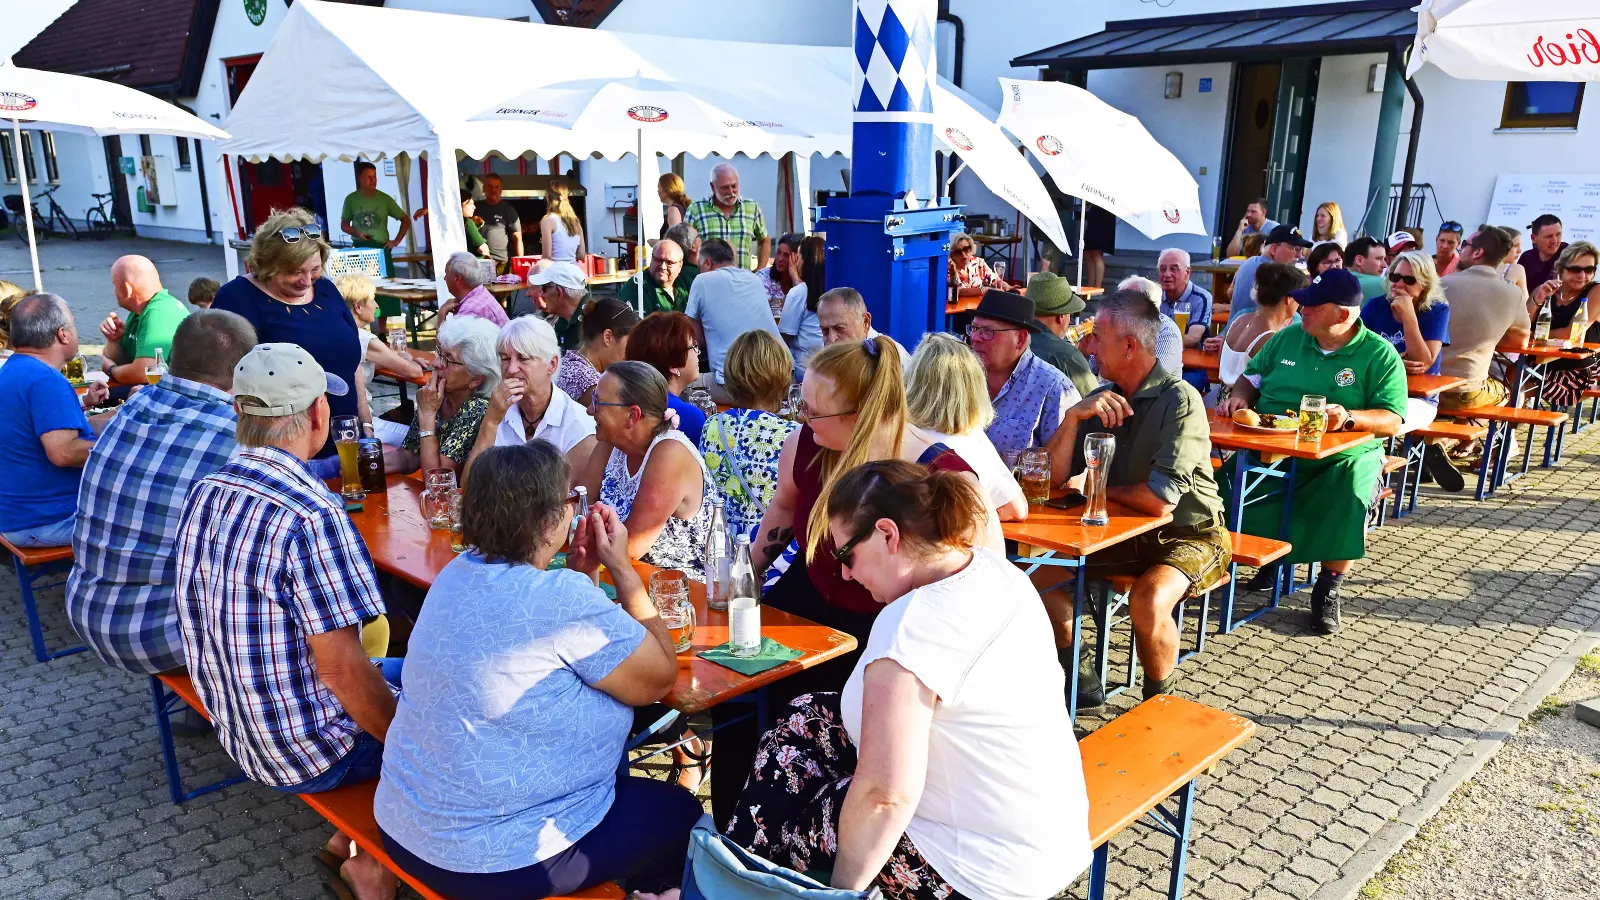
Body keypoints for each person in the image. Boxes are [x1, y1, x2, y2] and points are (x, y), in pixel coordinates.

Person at [725, 460, 1089, 900]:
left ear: (888, 534)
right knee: (804, 716)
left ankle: (733, 880)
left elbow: (885, 797)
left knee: (781, 814)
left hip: (973, 874)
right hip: (1049, 838)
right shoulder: (996, 572)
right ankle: (735, 869)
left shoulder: (909, 624)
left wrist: (840, 895)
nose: (844, 574)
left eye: (846, 555)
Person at [375, 441, 699, 900]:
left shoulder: (456, 571)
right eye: (570, 499)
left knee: (626, 796)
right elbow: (661, 677)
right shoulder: (559, 599)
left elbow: (560, 652)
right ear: (550, 521)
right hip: (491, 862)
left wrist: (584, 575)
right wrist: (624, 571)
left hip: (407, 828)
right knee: (681, 815)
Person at [723, 336, 1002, 826]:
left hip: (889, 626)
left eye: (812, 410)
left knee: (828, 738)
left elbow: (983, 579)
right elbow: (785, 508)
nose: (800, 418)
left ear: (861, 412)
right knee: (738, 701)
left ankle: (809, 837)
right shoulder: (810, 442)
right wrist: (746, 575)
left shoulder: (942, 476)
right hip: (809, 598)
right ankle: (734, 834)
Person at [174, 343, 397, 900]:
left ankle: (345, 844)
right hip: (305, 749)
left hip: (237, 725)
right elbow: (344, 671)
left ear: (238, 414)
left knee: (421, 670)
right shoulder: (311, 511)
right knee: (452, 717)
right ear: (319, 415)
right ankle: (376, 868)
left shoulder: (207, 489)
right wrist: (410, 743)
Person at [1045, 289, 1231, 701]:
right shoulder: (1102, 396)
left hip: (1191, 534)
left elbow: (1161, 500)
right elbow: (1057, 479)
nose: (1087, 344)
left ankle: (1158, 702)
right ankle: (1080, 675)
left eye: (1097, 336)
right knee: (1040, 574)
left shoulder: (1180, 399)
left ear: (1129, 345)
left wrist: (1094, 487)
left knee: (1147, 600)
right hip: (1124, 534)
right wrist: (1075, 417)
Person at [1216, 269, 1406, 635]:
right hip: (1270, 442)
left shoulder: (1379, 354)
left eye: (1312, 306)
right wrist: (1240, 396)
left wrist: (1349, 418)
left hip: (1342, 453)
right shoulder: (1288, 337)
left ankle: (1328, 586)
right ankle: (1263, 555)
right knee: (1222, 485)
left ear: (1342, 315)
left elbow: (1392, 419)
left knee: (1348, 488)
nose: (1301, 309)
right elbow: (1252, 378)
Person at [67, 310, 256, 675]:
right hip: (155, 632)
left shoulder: (133, 406)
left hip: (85, 605)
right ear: (245, 368)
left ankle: (197, 710)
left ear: (170, 360)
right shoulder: (235, 431)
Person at [213, 208, 364, 459]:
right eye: (295, 271)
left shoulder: (326, 290)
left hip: (345, 443)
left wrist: (365, 427)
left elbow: (352, 364)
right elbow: (224, 382)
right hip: (283, 453)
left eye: (314, 270)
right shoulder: (237, 299)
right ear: (267, 264)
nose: (306, 280)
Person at [580, 361, 717, 574]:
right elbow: (579, 508)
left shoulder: (670, 452)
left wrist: (585, 533)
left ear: (633, 415)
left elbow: (631, 545)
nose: (590, 410)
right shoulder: (609, 440)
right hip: (624, 574)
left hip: (682, 591)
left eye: (598, 403)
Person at [0, 293, 109, 547]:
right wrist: (127, 448)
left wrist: (123, 419)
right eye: (74, 324)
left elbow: (66, 431)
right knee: (159, 511)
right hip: (48, 519)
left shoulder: (14, 370)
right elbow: (64, 452)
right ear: (63, 334)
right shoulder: (45, 379)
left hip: (17, 515)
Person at [905, 333, 1028, 523]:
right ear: (973, 388)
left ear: (912, 380)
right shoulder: (970, 438)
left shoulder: (897, 432)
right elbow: (1016, 509)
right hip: (954, 546)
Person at [465, 315, 596, 484]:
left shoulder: (579, 426)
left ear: (552, 365)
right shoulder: (498, 411)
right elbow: (470, 487)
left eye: (524, 358)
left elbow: (564, 501)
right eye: (505, 358)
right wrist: (490, 422)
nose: (511, 369)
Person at [700, 330, 800, 539]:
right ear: (782, 375)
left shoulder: (712, 426)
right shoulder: (792, 435)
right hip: (772, 553)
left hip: (722, 546)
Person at [967, 290, 1081, 457]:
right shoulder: (960, 376)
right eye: (974, 328)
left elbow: (1066, 472)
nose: (975, 337)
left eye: (987, 331)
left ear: (1020, 339)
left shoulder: (1054, 389)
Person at [1437, 226, 1529, 420]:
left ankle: (1441, 440)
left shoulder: (1442, 284)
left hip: (1428, 386)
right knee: (1514, 395)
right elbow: (1519, 343)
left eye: (1464, 245)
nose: (1460, 250)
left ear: (1478, 252)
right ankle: (1498, 444)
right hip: (1467, 391)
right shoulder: (1513, 293)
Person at [392, 315, 500, 475]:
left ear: (476, 378)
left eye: (448, 360)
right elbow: (408, 458)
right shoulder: (438, 397)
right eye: (439, 354)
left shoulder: (478, 408)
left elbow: (437, 479)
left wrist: (427, 416)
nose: (435, 363)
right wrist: (361, 462)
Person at [1360, 250, 1449, 433]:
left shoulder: (1437, 311)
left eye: (1409, 280)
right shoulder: (1376, 306)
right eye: (1395, 277)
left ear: (1424, 284)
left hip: (1419, 399)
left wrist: (1408, 315)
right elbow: (1359, 353)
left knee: (1369, 427)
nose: (1399, 284)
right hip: (1374, 391)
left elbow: (1422, 362)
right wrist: (1395, 363)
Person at [685, 238, 783, 403]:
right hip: (781, 380)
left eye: (699, 267)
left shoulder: (702, 280)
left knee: (679, 383)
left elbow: (694, 338)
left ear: (707, 263)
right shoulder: (754, 279)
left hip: (736, 386)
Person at [1208, 263, 1304, 406]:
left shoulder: (1238, 321)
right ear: (1289, 299)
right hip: (1245, 409)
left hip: (1221, 402)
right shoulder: (1272, 338)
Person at [1527, 241, 1600, 408]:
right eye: (1575, 269)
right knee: (1509, 376)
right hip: (1539, 361)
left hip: (1577, 370)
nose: (1582, 275)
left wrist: (1534, 336)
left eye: (1589, 270)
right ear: (1561, 268)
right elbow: (1522, 324)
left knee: (1520, 385)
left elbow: (1572, 334)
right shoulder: (1546, 289)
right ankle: (1508, 429)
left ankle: (1509, 430)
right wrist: (1537, 300)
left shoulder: (1596, 292)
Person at [99, 255, 190, 386]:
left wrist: (110, 370)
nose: (113, 291)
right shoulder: (139, 312)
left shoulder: (159, 313)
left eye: (114, 285)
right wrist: (114, 340)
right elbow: (122, 362)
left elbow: (143, 373)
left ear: (127, 289)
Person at [624, 311, 708, 445]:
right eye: (693, 346)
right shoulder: (690, 416)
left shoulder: (627, 404)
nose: (698, 352)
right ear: (674, 365)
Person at [335, 273, 427, 392]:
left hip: (334, 406)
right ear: (358, 307)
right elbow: (415, 372)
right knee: (409, 406)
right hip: (359, 408)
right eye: (373, 300)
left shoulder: (336, 329)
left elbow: (366, 364)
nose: (377, 306)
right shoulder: (365, 339)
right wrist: (408, 360)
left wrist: (398, 358)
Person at [685, 162, 770, 270]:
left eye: (734, 186)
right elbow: (684, 245)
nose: (731, 192)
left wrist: (759, 271)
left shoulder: (752, 207)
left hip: (742, 281)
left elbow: (764, 240)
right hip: (710, 281)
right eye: (725, 188)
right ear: (712, 187)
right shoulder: (696, 209)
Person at [556, 297, 639, 406]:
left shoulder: (570, 365)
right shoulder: (591, 385)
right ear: (608, 337)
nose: (632, 351)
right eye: (630, 342)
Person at [1026, 272, 1096, 397]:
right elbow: (1093, 400)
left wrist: (1082, 351)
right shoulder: (1066, 356)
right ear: (1061, 317)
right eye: (1071, 315)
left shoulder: (1010, 338)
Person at [1227, 225, 1312, 326]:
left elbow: (1230, 292)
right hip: (1255, 333)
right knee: (1297, 319)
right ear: (1273, 249)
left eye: (1301, 249)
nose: (1300, 255)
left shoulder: (1249, 262)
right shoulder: (1275, 274)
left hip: (1234, 330)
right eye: (1294, 248)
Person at [340, 161, 411, 276]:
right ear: (360, 178)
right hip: (360, 249)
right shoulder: (351, 199)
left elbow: (405, 219)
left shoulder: (384, 199)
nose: (373, 180)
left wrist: (396, 241)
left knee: (387, 287)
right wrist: (357, 232)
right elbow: (344, 225)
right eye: (369, 177)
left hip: (381, 248)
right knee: (362, 289)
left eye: (374, 176)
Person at [816, 287, 911, 362]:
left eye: (840, 328)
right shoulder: (824, 355)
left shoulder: (895, 358)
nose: (831, 339)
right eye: (825, 331)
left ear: (865, 322)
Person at [778, 234, 826, 377]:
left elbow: (782, 338)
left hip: (802, 371)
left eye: (797, 258)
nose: (795, 263)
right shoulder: (833, 287)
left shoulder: (799, 293)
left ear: (805, 261)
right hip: (828, 368)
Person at [1117, 275, 1184, 376]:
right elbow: (1094, 368)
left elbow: (1153, 377)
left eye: (1125, 299)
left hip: (1151, 391)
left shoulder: (1167, 332)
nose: (1116, 304)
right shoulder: (1117, 325)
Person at [526, 261, 590, 353]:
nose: (542, 294)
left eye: (544, 289)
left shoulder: (591, 323)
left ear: (559, 292)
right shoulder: (564, 318)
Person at [1157, 247, 1213, 350]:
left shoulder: (1201, 298)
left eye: (1174, 269)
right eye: (1163, 269)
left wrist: (1155, 341)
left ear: (1187, 273)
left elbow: (1193, 338)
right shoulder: (1154, 295)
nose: (1167, 274)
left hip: (1189, 361)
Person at [617, 238, 689, 315]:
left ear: (680, 265)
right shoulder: (638, 287)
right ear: (651, 259)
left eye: (669, 263)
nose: (663, 266)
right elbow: (639, 325)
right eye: (658, 260)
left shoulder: (686, 283)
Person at [437, 251, 509, 327]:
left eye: (446, 273)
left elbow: (443, 339)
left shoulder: (469, 311)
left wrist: (442, 312)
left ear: (457, 278)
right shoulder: (480, 292)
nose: (445, 278)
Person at [476, 173, 524, 273]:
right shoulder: (475, 208)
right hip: (478, 261)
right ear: (484, 188)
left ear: (501, 190)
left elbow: (517, 238)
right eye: (490, 186)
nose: (493, 190)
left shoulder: (508, 210)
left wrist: (521, 264)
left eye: (496, 187)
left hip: (501, 263)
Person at [540, 176, 587, 265]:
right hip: (575, 273)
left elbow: (547, 257)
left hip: (556, 273)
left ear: (548, 198)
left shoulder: (548, 220)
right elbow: (581, 255)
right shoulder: (575, 221)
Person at [1517, 214, 1567, 289]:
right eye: (1549, 236)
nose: (1554, 241)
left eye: (1558, 235)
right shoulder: (1526, 258)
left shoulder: (1569, 254)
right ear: (1534, 238)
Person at [760, 232, 803, 313]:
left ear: (796, 258)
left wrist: (795, 278)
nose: (780, 259)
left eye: (786, 255)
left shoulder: (802, 280)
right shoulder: (764, 277)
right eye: (779, 253)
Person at [1345, 236, 1390, 301]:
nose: (1385, 265)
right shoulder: (1381, 283)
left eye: (1384, 259)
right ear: (1359, 260)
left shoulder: (1334, 281)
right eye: (1378, 259)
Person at [662, 222, 701, 291]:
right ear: (693, 247)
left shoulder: (669, 275)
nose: (701, 239)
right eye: (698, 236)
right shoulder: (701, 276)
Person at [1495, 225, 1530, 301]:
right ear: (1502, 245)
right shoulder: (1516, 270)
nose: (1519, 250)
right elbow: (1524, 305)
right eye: (1516, 245)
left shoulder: (1475, 266)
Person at [461, 193, 491, 259]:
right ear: (460, 205)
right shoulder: (467, 222)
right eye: (470, 204)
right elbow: (483, 250)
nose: (474, 207)